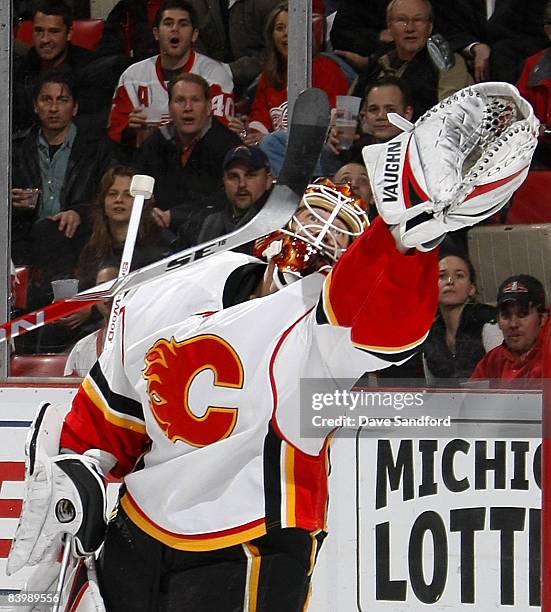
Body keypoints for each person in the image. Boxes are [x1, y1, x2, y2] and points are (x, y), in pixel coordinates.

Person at [8, 83, 538, 610]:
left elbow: (385, 326)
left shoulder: (325, 324)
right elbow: (110, 414)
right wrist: (78, 464)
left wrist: (406, 241)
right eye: (315, 216)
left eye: (344, 238)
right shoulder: (168, 293)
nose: (323, 234)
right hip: (140, 534)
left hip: (254, 543)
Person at [11, 70, 116, 307]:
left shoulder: (97, 148)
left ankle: (63, 303)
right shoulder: (16, 149)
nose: (54, 107)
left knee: (49, 231)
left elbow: (111, 197)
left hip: (79, 234)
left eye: (62, 100)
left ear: (75, 107)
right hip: (26, 236)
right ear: (35, 106)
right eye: (46, 100)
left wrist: (79, 212)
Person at [107, 0, 234, 150]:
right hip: (145, 162)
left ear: (194, 35)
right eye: (168, 23)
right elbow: (115, 135)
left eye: (183, 24)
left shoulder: (215, 75)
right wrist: (130, 130)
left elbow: (221, 135)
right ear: (156, 33)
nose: (175, 29)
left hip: (199, 163)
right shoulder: (132, 77)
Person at [228, 2, 348, 145]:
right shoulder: (269, 76)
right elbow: (260, 121)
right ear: (271, 36)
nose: (286, 33)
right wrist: (245, 133)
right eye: (280, 28)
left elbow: (339, 120)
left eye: (292, 26)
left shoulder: (328, 69)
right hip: (274, 153)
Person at [135, 73, 241, 233]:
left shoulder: (228, 145)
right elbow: (139, 189)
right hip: (157, 228)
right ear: (170, 108)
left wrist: (176, 216)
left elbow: (228, 198)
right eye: (180, 100)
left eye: (195, 100)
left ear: (208, 107)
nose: (188, 108)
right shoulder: (154, 144)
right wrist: (151, 213)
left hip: (210, 232)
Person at [12, 0, 121, 135]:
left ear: (69, 34)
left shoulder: (91, 69)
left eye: (54, 31)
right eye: (39, 31)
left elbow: (93, 122)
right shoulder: (21, 68)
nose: (45, 39)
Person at [352, 0, 473, 118]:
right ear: (389, 28)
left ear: (429, 27)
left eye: (418, 20)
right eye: (402, 20)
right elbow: (350, 111)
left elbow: (449, 117)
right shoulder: (377, 63)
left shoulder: (447, 63)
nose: (410, 28)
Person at [76, 166, 170, 291]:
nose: (119, 200)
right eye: (112, 194)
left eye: (128, 195)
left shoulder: (158, 244)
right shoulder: (91, 251)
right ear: (103, 201)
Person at [174, 144, 274, 252]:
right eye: (233, 177)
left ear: (268, 181)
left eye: (250, 175)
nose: (241, 184)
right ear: (224, 182)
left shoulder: (281, 224)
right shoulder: (203, 221)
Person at [423, 253, 501, 385]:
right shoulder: (428, 335)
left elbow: (505, 378)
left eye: (459, 276)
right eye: (442, 276)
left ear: (471, 288)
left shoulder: (488, 322)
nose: (450, 281)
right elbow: (432, 389)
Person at [321, 76, 414, 174]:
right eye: (373, 109)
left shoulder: (421, 152)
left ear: (407, 113)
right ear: (364, 115)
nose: (380, 116)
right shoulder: (356, 150)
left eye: (390, 109)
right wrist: (331, 150)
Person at [470, 274, 548, 386]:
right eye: (506, 315)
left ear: (543, 318)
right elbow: (470, 400)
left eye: (522, 314)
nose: (513, 324)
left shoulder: (547, 358)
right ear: (498, 321)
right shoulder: (492, 360)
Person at [63, 265, 119, 377]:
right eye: (102, 287)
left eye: (114, 286)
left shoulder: (142, 342)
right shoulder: (82, 348)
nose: (108, 295)